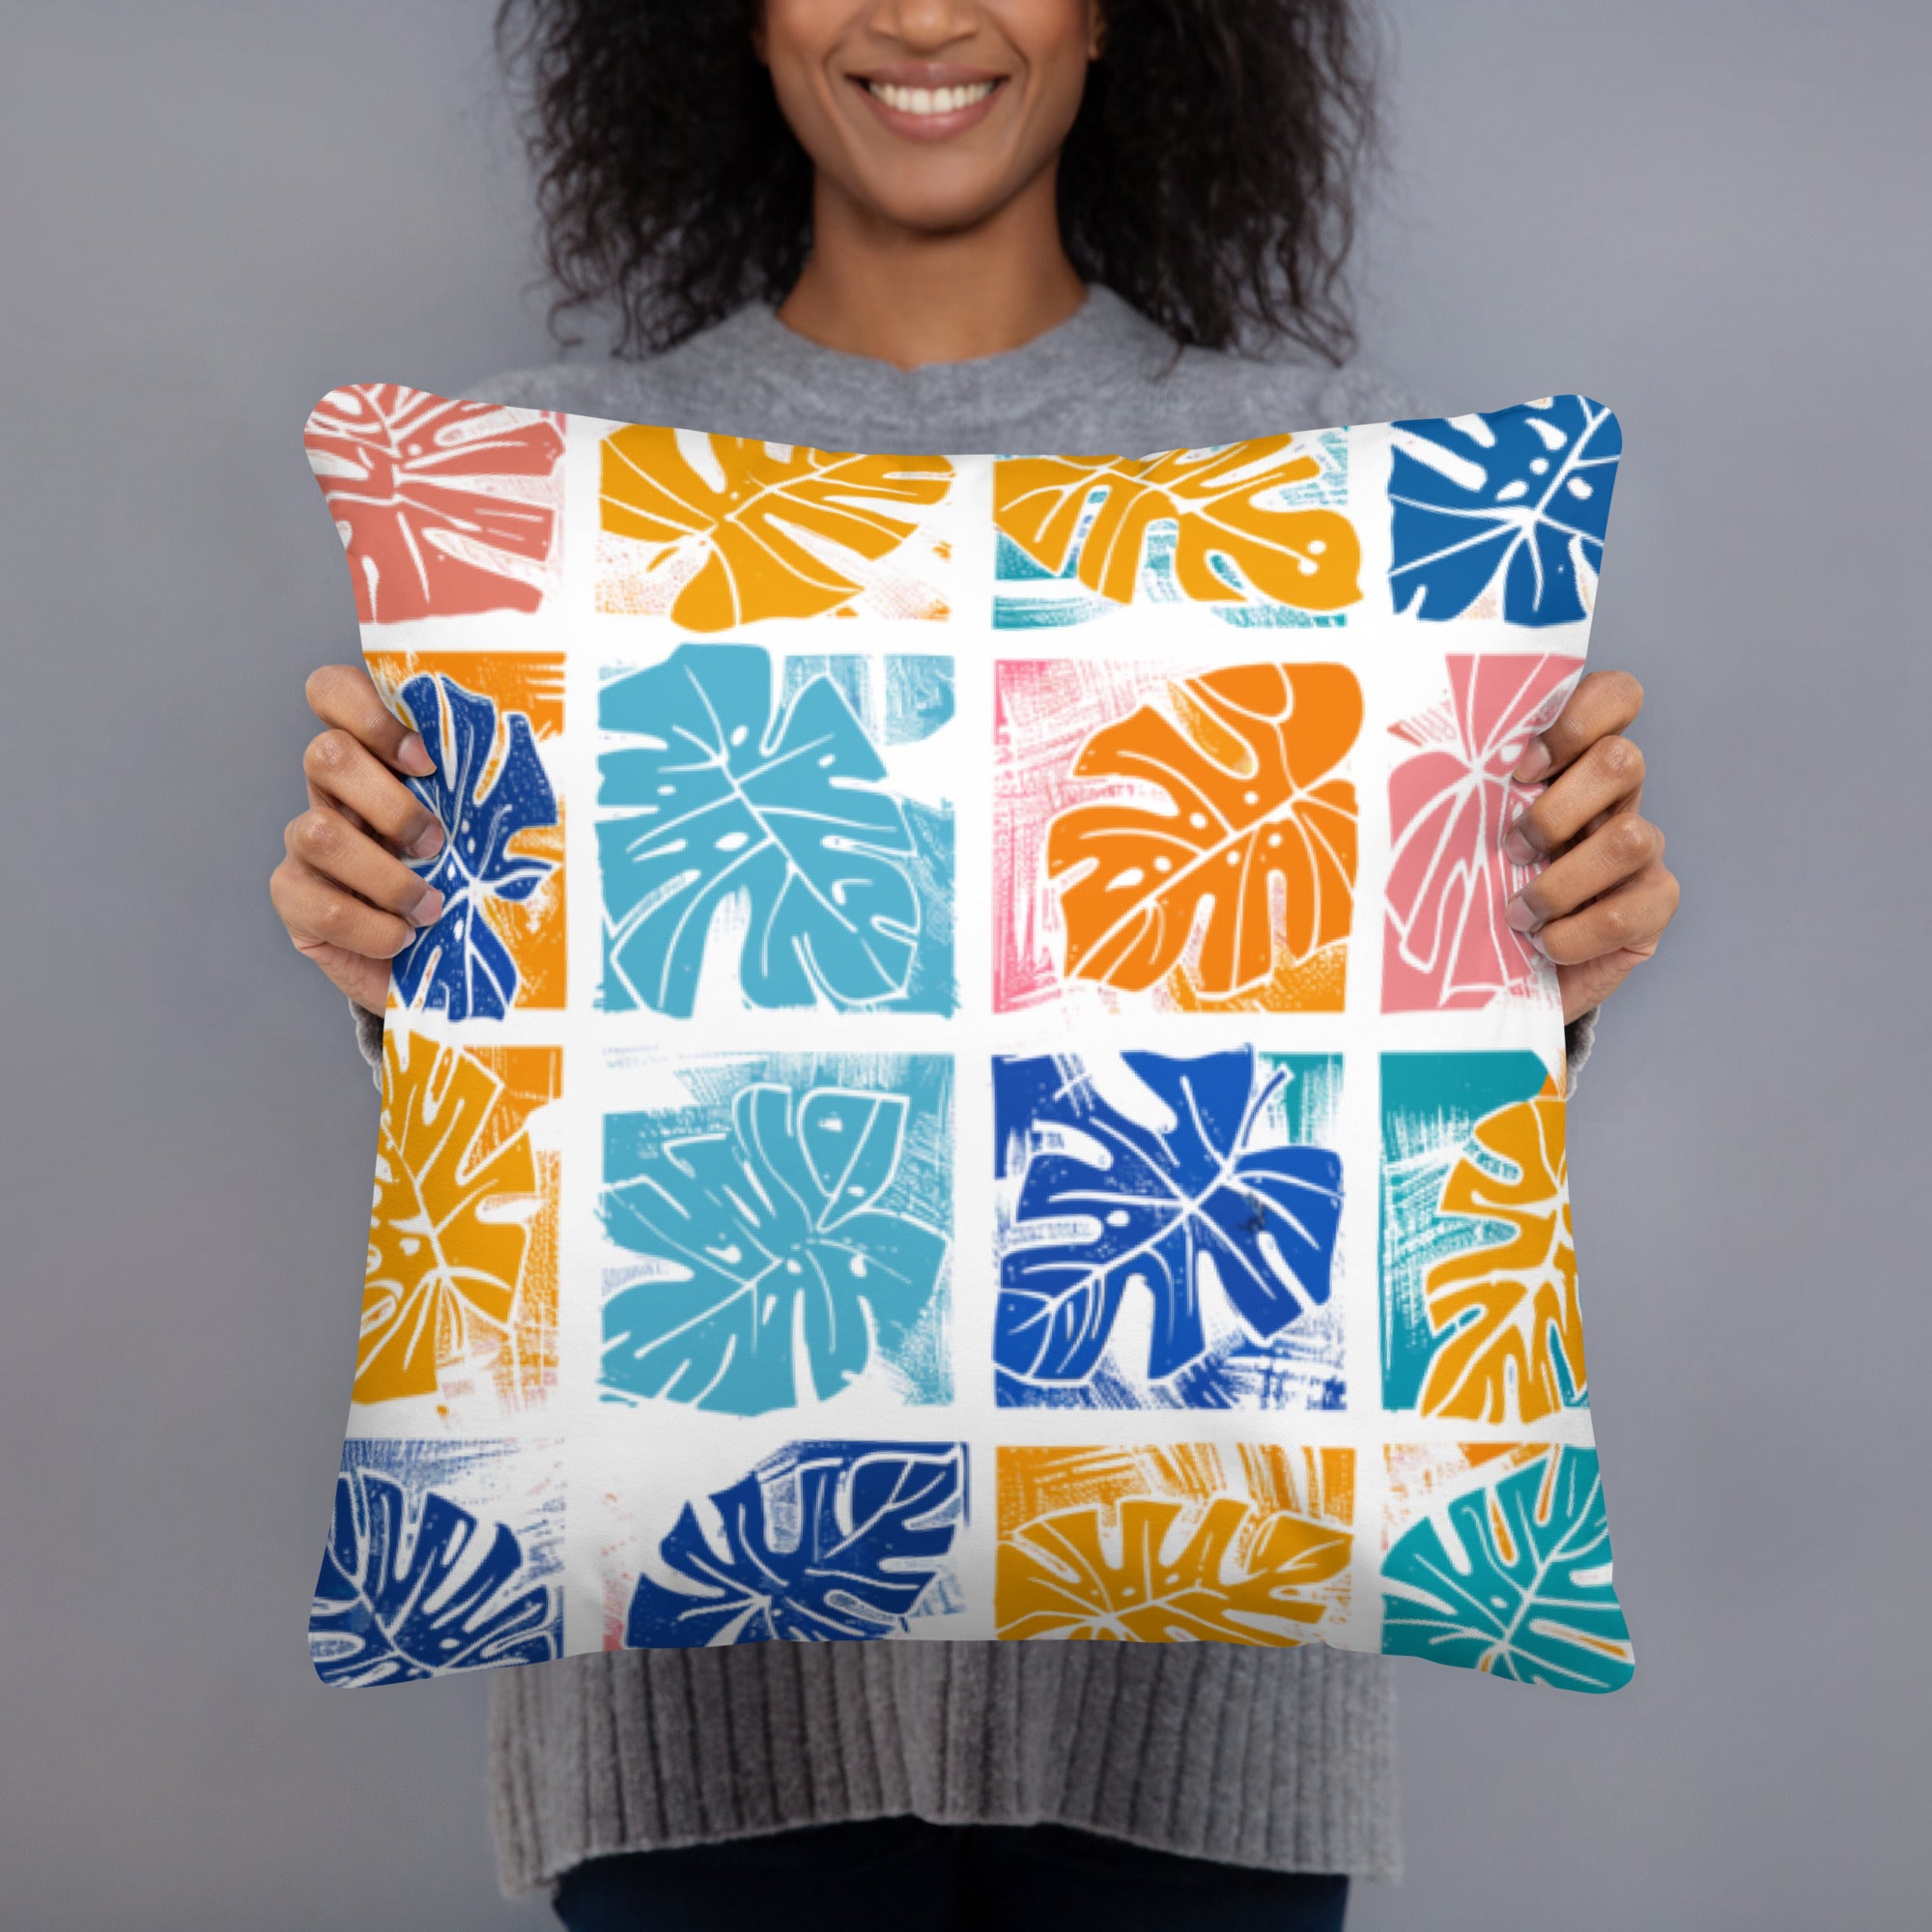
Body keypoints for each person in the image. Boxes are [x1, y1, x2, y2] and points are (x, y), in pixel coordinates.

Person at [270, 4, 1680, 1925]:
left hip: (1212, 1749)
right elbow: (538, 1119)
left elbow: (1386, 1127)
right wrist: (395, 969)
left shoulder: (1338, 474)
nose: (925, 13)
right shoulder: (551, 482)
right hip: (687, 1753)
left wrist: (1548, 963)